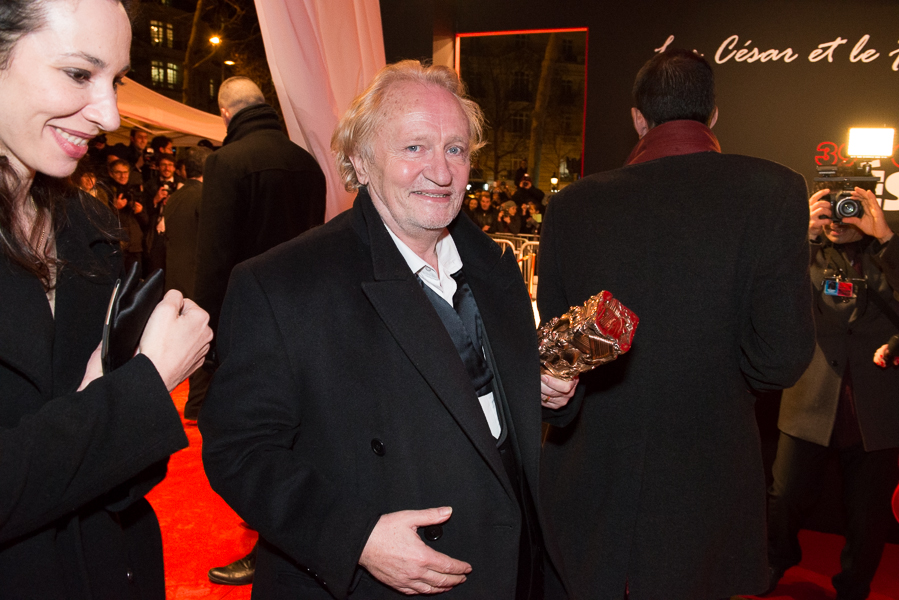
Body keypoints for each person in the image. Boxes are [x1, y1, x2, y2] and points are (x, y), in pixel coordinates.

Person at [199, 59, 576, 599]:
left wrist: (535, 390)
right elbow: (239, 451)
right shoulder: (282, 284)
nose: (441, 172)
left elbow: (480, 413)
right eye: (414, 147)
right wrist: (356, 537)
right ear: (360, 159)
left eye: (455, 149)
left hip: (511, 570)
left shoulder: (494, 268)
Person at [536, 49, 815, 600]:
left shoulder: (572, 205)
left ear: (638, 120)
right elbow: (782, 359)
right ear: (714, 115)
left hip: (592, 468)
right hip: (706, 474)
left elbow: (556, 356)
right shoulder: (774, 191)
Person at [0, 0, 213, 597]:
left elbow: (125, 477)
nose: (110, 115)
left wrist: (124, 400)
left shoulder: (90, 226)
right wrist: (145, 385)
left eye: (115, 80)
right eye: (77, 73)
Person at [195, 75, 327, 583]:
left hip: (247, 323)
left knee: (251, 440)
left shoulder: (226, 163)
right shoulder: (306, 162)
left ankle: (271, 546)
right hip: (307, 319)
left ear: (226, 114)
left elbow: (215, 257)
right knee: (297, 433)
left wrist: (205, 333)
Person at [766, 187, 899, 600]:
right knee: (785, 498)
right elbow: (772, 302)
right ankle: (773, 563)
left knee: (868, 513)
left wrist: (885, 238)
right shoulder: (805, 255)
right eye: (830, 210)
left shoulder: (886, 254)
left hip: (876, 405)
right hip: (811, 397)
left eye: (848, 210)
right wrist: (801, 237)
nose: (837, 220)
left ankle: (854, 586)